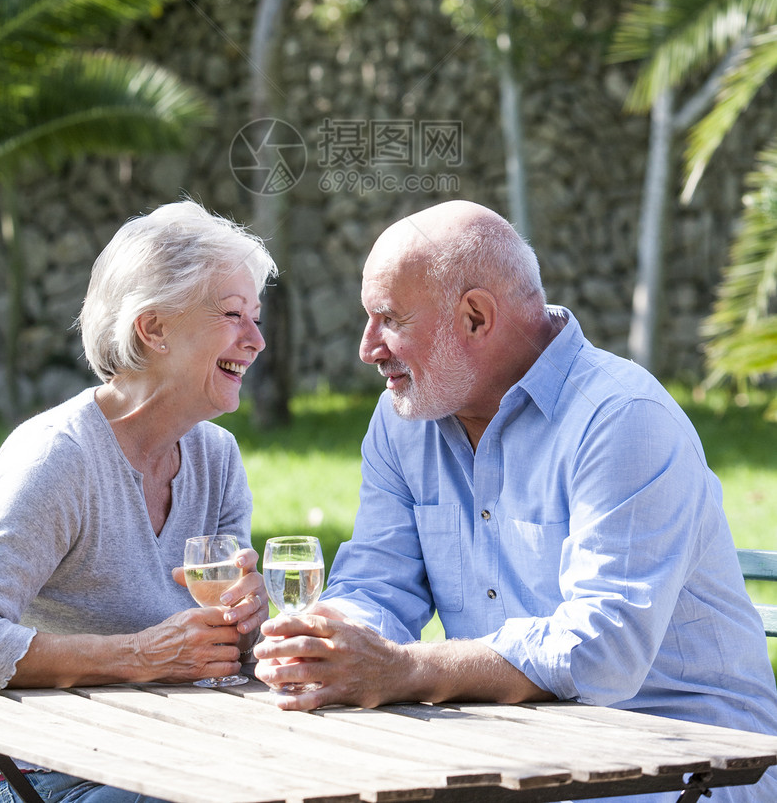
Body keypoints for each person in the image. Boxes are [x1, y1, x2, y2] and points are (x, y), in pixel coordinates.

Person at [254, 200, 777, 803]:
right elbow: (377, 581)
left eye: (390, 319)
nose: (368, 347)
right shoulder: (405, 419)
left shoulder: (622, 419)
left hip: (686, 760)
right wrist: (326, 642)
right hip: (513, 749)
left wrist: (405, 669)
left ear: (476, 317)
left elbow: (603, 651)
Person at [0, 200, 276, 803]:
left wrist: (249, 621)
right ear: (153, 328)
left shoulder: (217, 458)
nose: (257, 340)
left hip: (170, 754)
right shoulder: (59, 457)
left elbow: (225, 651)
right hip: (33, 771)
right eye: (233, 314)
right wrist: (139, 656)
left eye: (256, 316)